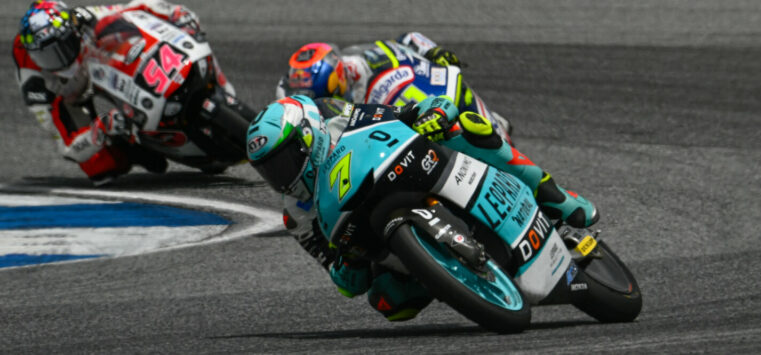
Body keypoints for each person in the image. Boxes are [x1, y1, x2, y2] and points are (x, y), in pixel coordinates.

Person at [246, 93, 597, 323]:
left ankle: (554, 196)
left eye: (285, 159)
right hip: (377, 236)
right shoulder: (296, 215)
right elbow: (342, 280)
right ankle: (457, 279)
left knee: (467, 127)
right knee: (389, 303)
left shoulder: (336, 116)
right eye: (270, 170)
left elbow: (404, 112)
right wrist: (348, 261)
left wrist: (431, 115)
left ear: (309, 135)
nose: (282, 175)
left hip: (412, 168)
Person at [12, 0, 250, 184]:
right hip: (62, 91)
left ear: (73, 32)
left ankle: (202, 93)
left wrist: (177, 16)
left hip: (91, 66)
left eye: (59, 50)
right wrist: (100, 129)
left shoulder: (82, 19)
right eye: (45, 55)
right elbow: (63, 142)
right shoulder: (33, 77)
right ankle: (132, 145)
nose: (55, 59)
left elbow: (135, 10)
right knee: (100, 168)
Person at [276, 32, 513, 136]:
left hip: (437, 92)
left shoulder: (361, 64)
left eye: (324, 93)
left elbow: (408, 37)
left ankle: (491, 119)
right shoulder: (303, 98)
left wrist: (432, 50)